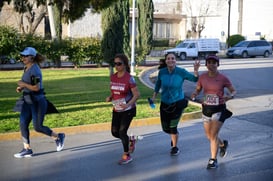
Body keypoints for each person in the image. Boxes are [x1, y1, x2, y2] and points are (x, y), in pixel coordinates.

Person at [14, 47, 65, 158]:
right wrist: (21, 88)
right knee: (23, 123)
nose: (23, 58)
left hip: (37, 101)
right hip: (27, 100)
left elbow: (36, 87)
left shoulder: (35, 70)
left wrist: (23, 84)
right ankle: (27, 149)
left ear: (32, 57)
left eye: (26, 56)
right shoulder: (26, 67)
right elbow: (29, 84)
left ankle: (58, 137)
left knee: (38, 127)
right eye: (22, 55)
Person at [191, 55, 236, 169]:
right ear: (206, 65)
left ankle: (213, 160)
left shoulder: (223, 78)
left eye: (214, 62)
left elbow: (233, 90)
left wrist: (230, 96)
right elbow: (198, 89)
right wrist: (195, 94)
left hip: (219, 109)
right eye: (209, 62)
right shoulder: (202, 77)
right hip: (206, 108)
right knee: (209, 135)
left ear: (218, 64)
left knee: (213, 135)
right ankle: (222, 144)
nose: (211, 64)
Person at [151, 52, 200, 156]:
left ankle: (174, 147)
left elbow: (194, 79)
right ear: (166, 61)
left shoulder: (181, 72)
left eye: (173, 58)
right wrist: (154, 96)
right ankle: (174, 135)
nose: (170, 60)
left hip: (178, 102)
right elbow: (158, 84)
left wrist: (196, 71)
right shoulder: (162, 72)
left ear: (175, 60)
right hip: (165, 102)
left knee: (173, 126)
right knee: (165, 128)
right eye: (168, 58)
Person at [106, 54, 140, 165]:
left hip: (128, 109)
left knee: (122, 131)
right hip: (117, 108)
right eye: (115, 63)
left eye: (119, 63)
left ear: (125, 64)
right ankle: (131, 140)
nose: (116, 66)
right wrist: (110, 97)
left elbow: (136, 95)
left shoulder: (129, 78)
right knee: (115, 132)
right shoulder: (113, 77)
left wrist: (128, 104)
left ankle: (127, 155)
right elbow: (114, 91)